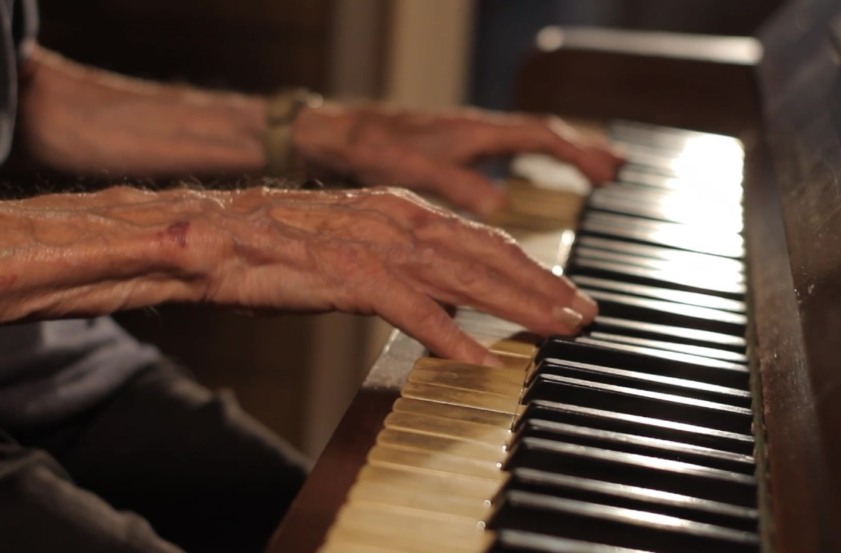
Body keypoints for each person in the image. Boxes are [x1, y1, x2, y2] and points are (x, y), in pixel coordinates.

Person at [0, 1, 622, 552]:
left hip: (41, 367)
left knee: (350, 530)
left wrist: (339, 135)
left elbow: (23, 85)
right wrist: (202, 238)